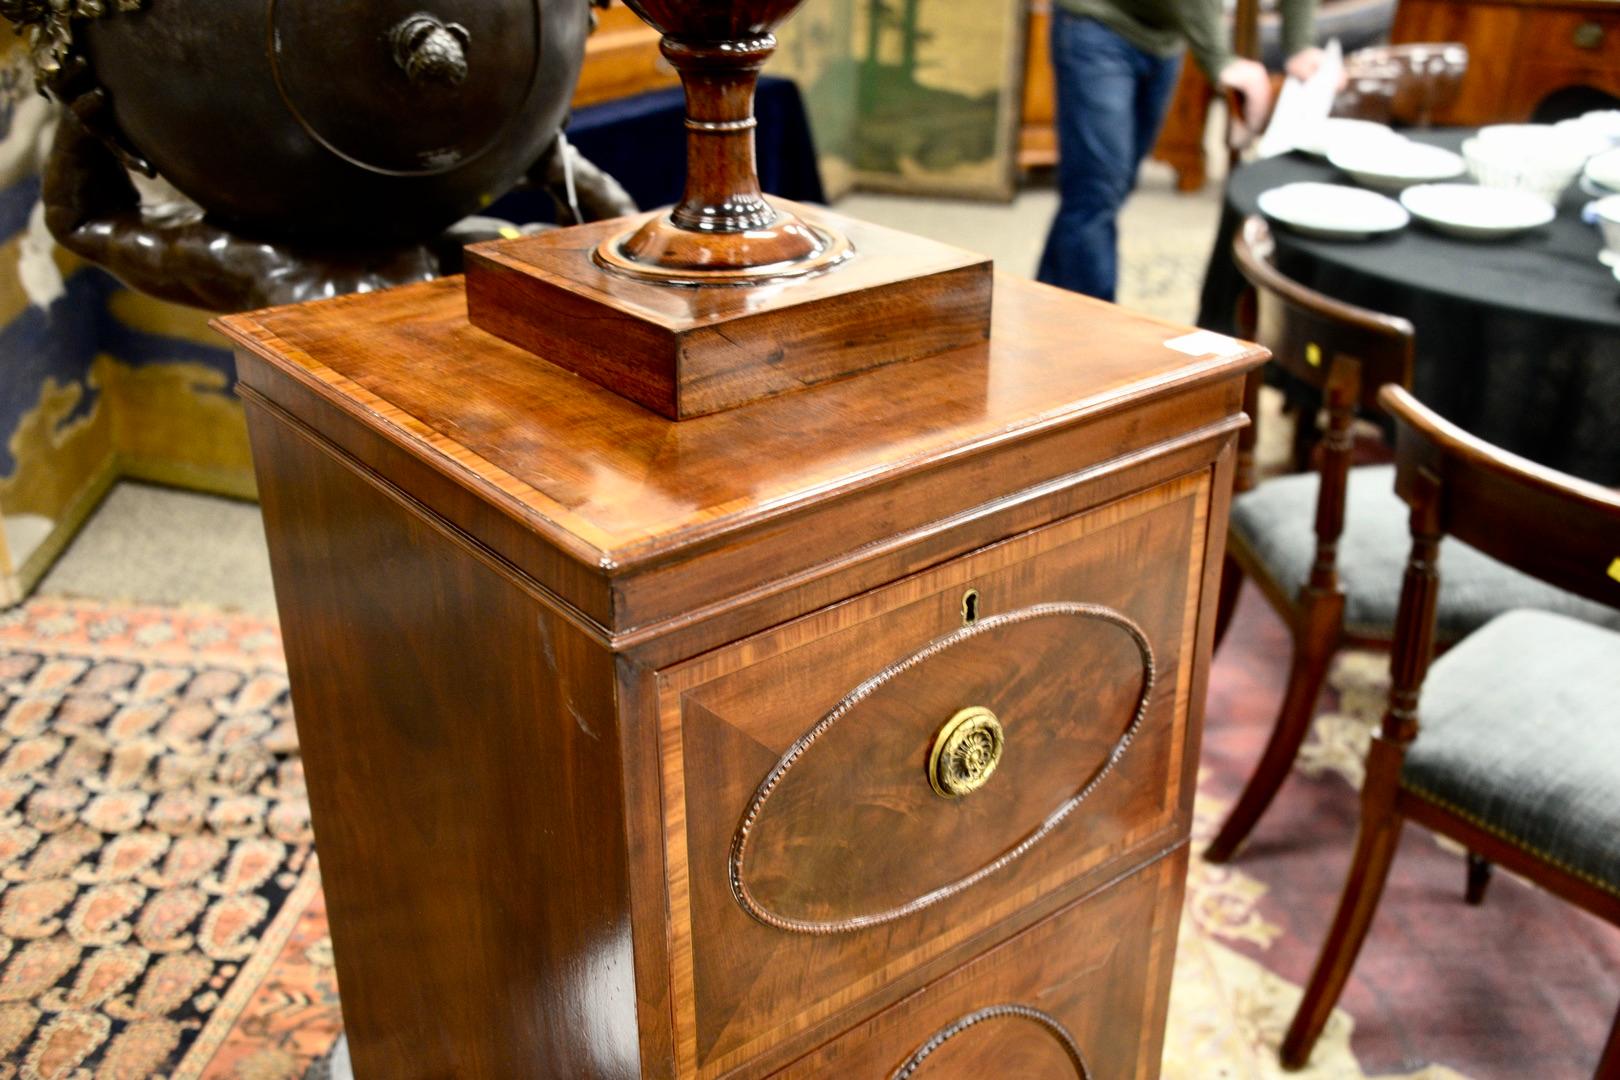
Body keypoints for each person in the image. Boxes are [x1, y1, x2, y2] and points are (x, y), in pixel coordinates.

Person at [1037, 0, 1323, 301]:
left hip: (1164, 38)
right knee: (1097, 193)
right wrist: (1219, 60)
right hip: (1097, 22)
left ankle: (1044, 304)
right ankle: (1092, 332)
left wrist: (1300, 45)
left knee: (1105, 194)